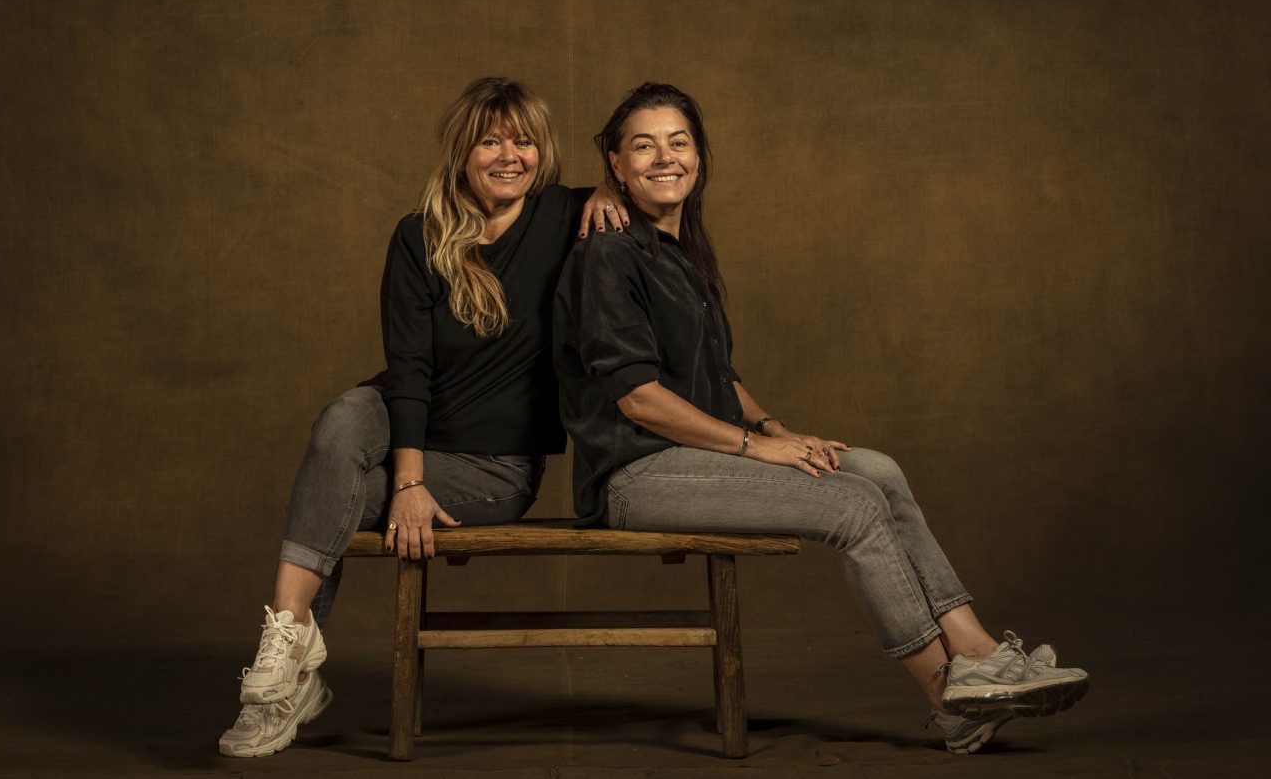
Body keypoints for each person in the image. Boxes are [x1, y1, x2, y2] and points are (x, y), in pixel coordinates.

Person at [552, 82, 1089, 755]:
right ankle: (950, 699)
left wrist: (775, 430)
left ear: (699, 155)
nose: (665, 158)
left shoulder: (679, 251)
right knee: (852, 506)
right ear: (616, 163)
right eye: (643, 145)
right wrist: (754, 448)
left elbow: (718, 375)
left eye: (678, 142)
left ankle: (979, 654)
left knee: (877, 471)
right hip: (634, 475)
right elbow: (637, 398)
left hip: (697, 455)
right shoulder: (607, 252)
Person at [218, 77, 629, 758]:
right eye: (491, 141)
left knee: (335, 496)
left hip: (493, 467)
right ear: (462, 152)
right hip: (409, 431)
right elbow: (408, 369)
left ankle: (284, 690)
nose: (510, 155)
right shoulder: (419, 237)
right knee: (345, 414)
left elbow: (645, 180)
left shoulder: (565, 215)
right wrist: (410, 482)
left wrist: (610, 189)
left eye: (524, 141)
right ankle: (288, 645)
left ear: (543, 151)